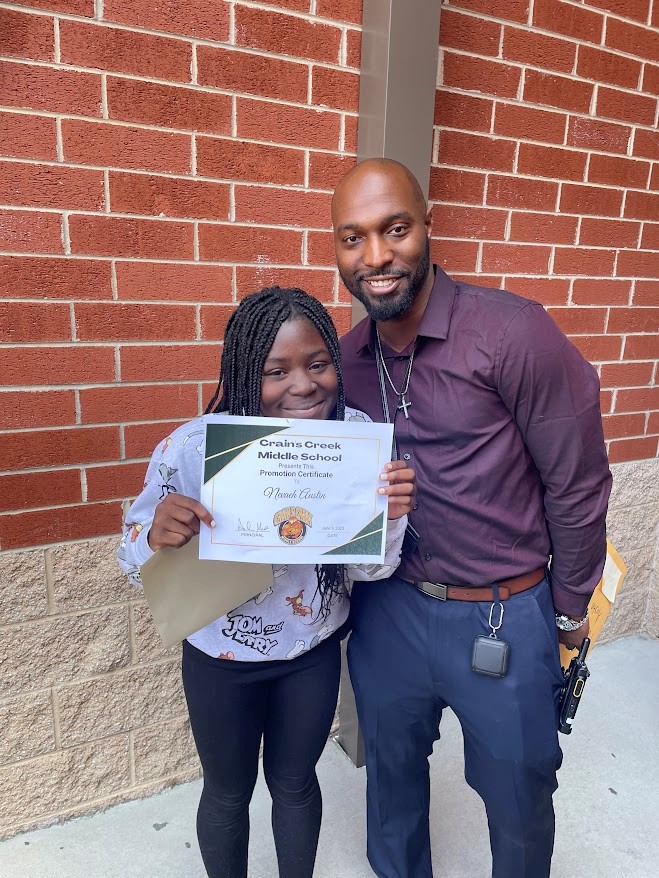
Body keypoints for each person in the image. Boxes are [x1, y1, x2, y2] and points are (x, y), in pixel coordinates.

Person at [332, 159, 612, 878]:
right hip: (387, 609)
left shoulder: (513, 334)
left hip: (503, 613)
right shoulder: (348, 359)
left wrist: (569, 608)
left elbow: (576, 483)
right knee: (390, 782)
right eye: (351, 238)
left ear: (427, 226)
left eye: (393, 229)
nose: (375, 256)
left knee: (518, 796)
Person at [117, 286, 416, 878]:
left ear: (336, 360)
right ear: (245, 375)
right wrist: (153, 534)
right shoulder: (195, 446)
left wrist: (391, 518)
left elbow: (371, 568)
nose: (302, 385)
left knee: (296, 784)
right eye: (275, 371)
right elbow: (130, 559)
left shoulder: (355, 440)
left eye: (317, 363)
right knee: (227, 794)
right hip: (219, 657)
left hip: (310, 650)